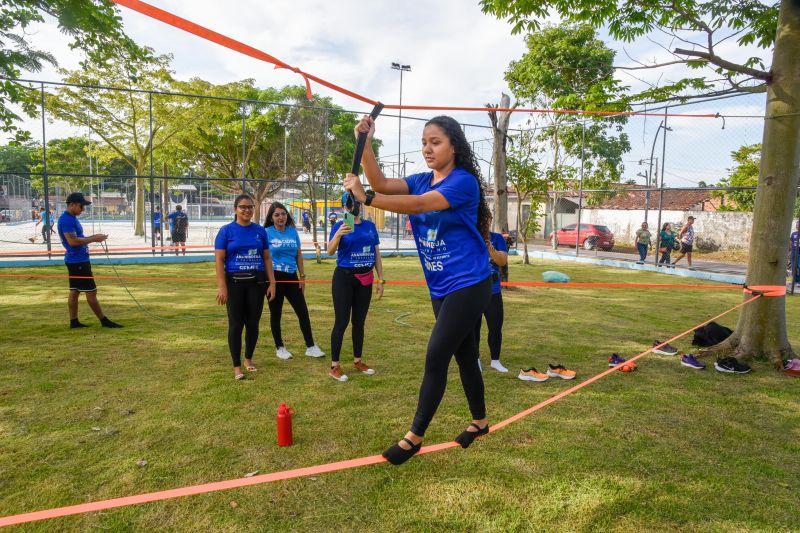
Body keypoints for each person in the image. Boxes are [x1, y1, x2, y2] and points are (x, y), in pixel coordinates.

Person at [344, 114, 493, 465]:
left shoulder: (463, 182)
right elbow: (378, 180)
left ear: (454, 145)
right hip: (440, 285)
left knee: (436, 354)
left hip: (469, 282)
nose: (427, 148)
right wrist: (363, 142)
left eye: (435, 142)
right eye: (424, 142)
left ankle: (414, 437)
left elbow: (420, 204)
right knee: (465, 355)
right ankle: (480, 422)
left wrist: (366, 199)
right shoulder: (420, 179)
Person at [215, 194, 276, 380]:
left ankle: (248, 359)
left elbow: (266, 258)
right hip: (234, 283)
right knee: (235, 324)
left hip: (256, 283)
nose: (247, 210)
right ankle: (236, 366)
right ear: (235, 209)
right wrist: (222, 286)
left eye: (250, 207)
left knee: (253, 323)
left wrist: (272, 282)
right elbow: (219, 259)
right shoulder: (226, 231)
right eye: (243, 207)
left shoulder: (260, 231)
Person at [326, 193, 384, 382]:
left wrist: (380, 279)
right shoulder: (340, 225)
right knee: (342, 322)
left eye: (357, 203)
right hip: (344, 278)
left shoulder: (369, 226)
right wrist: (338, 234)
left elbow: (376, 254)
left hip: (365, 279)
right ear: (344, 207)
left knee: (359, 322)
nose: (354, 207)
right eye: (350, 204)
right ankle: (334, 366)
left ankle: (358, 361)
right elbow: (329, 251)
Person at [264, 201, 325, 359]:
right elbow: (264, 257)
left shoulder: (292, 232)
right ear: (271, 217)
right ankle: (280, 347)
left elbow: (298, 254)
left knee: (303, 312)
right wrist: (269, 281)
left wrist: (302, 276)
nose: (281, 217)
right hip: (274, 277)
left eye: (283, 214)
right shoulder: (266, 232)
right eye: (277, 215)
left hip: (292, 277)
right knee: (276, 314)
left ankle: (310, 346)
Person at [57, 192, 122, 329]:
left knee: (74, 291)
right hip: (78, 261)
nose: (83, 209)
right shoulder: (67, 220)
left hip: (76, 260)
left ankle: (74, 322)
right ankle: (104, 321)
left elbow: (79, 237)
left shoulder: (71, 218)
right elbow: (73, 241)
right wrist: (94, 239)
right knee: (91, 292)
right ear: (73, 205)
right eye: (81, 206)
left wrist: (95, 236)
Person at [474, 217, 509, 373]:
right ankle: (475, 360)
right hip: (473, 291)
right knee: (473, 328)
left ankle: (495, 360)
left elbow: (502, 261)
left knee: (495, 327)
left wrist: (490, 248)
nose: (484, 223)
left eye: (486, 220)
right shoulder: (469, 237)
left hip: (493, 291)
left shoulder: (497, 238)